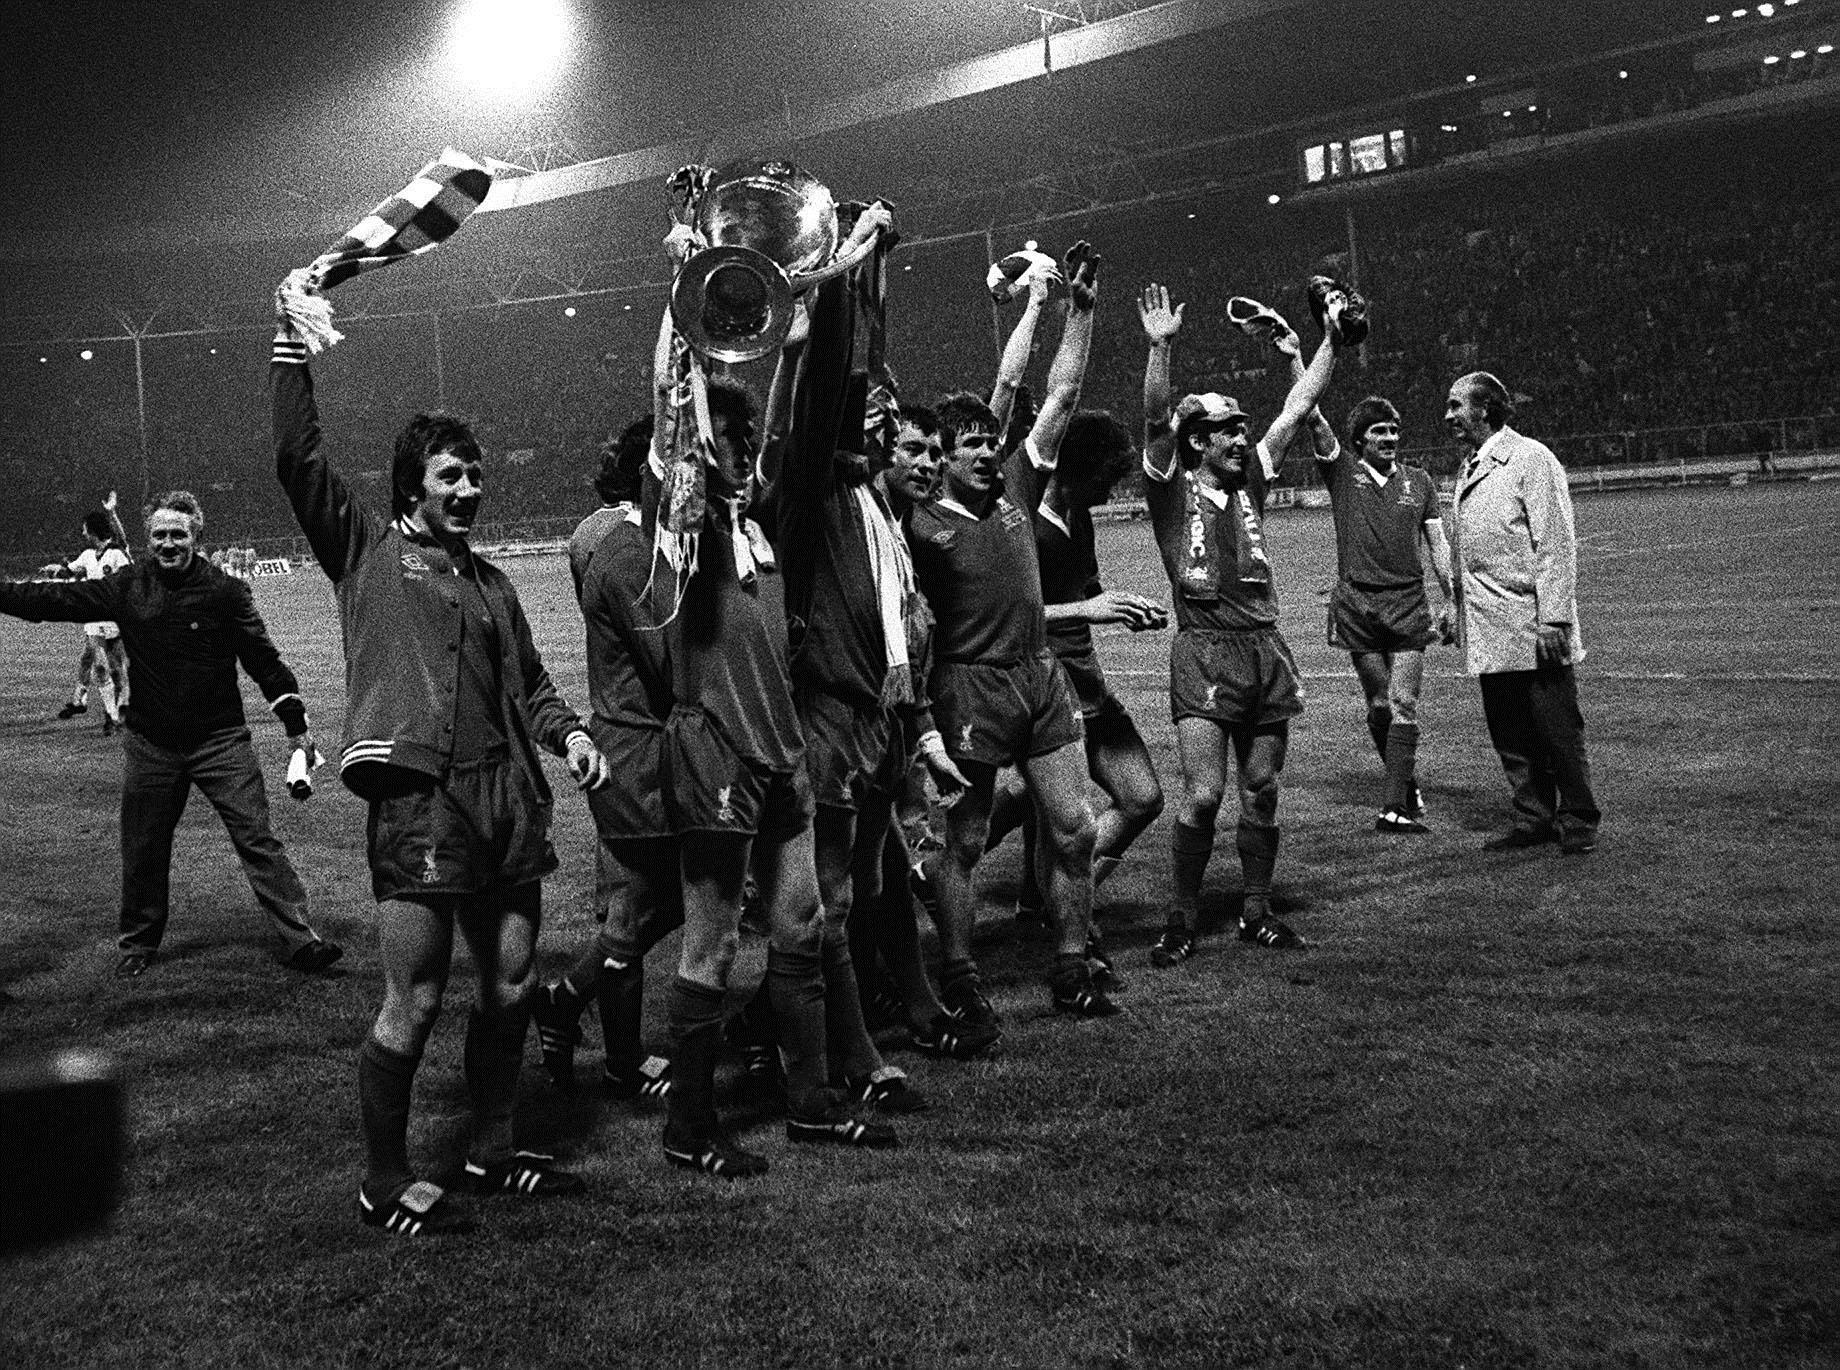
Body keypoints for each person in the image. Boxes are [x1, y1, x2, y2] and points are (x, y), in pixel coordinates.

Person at [273, 316, 609, 1238]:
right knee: (414, 998)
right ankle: (384, 1177)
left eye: (475, 474)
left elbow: (532, 685)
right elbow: (299, 460)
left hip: (510, 805)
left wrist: (569, 735)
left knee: (508, 987)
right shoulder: (368, 558)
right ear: (411, 489)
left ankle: (491, 1148)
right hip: (422, 805)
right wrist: (289, 353)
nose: (471, 489)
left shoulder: (495, 583)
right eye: (450, 476)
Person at [644, 293, 895, 1180]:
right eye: (729, 449)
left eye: (748, 450)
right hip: (715, 748)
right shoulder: (676, 527)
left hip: (783, 748)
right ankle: (690, 1123)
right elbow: (680, 419)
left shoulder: (758, 520)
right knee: (709, 941)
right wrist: (680, 303)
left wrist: (789, 353)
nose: (741, 459)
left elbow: (782, 428)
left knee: (802, 918)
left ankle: (813, 1102)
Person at [750, 248, 970, 1103]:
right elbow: (815, 420)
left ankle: (835, 1031)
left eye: (889, 421)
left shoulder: (882, 507)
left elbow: (898, 640)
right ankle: (851, 1057)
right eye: (871, 419)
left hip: (878, 723)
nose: (881, 427)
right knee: (829, 899)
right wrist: (818, 314)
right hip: (828, 722)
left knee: (867, 885)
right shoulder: (812, 496)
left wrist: (919, 733)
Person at [0, 490, 341, 980]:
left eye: (177, 534)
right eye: (158, 535)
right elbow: (53, 600)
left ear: (196, 537)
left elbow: (264, 661)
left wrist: (296, 727)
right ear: (147, 538)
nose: (166, 544)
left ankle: (300, 940)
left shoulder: (225, 591)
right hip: (151, 744)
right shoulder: (127, 586)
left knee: (257, 839)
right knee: (143, 845)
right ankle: (138, 943)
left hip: (220, 741)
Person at [906, 240, 1114, 1025]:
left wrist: (1079, 313)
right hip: (969, 683)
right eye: (974, 447)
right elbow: (1006, 384)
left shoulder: (1014, 489)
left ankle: (1069, 963)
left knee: (1075, 824)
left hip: (1038, 676)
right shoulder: (921, 520)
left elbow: (1056, 393)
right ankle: (957, 973)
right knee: (961, 840)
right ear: (944, 460)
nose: (990, 453)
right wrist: (1028, 307)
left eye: (993, 443)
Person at [1135, 281, 1344, 966]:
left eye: (1239, 427)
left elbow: (1299, 407)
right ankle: (1182, 916)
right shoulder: (1170, 489)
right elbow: (1153, 421)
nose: (1241, 435)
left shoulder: (1250, 476)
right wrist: (1160, 348)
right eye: (1227, 429)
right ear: (1197, 439)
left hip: (1264, 646)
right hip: (1203, 651)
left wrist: (1322, 344)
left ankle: (1257, 911)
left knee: (1262, 789)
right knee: (1202, 797)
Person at [532, 413, 677, 1103]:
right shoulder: (621, 544)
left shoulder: (614, 536)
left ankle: (599, 1033)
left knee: (641, 906)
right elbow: (675, 663)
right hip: (640, 751)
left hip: (638, 743)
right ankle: (572, 1004)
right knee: (644, 905)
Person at [984, 409, 1167, 938]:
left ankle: (1049, 896)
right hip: (1041, 682)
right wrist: (1086, 610)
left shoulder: (1078, 518)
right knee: (1026, 802)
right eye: (1103, 481)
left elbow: (1085, 593)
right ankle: (944, 865)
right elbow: (1007, 613)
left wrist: (1127, 608)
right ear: (1072, 470)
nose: (1110, 495)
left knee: (1141, 798)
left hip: (1087, 682)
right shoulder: (1021, 522)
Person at [1445, 371, 1600, 855]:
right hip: (1490, 624)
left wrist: (1555, 617)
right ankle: (1533, 816)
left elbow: (1554, 543)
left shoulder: (1531, 458)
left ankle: (1578, 818)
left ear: (1485, 408)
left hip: (1532, 624)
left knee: (1556, 728)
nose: (1448, 416)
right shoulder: (1470, 465)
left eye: (1456, 405)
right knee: (1510, 731)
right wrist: (1454, 606)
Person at [1319, 394, 1455, 833]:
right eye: (1380, 431)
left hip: (1408, 604)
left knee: (1403, 702)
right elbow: (1314, 418)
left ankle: (1394, 806)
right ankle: (1406, 782)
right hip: (1358, 604)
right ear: (1359, 439)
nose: (1390, 438)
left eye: (1394, 430)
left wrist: (1451, 596)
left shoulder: (1420, 482)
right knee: (1379, 705)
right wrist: (1295, 358)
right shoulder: (1342, 474)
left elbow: (1438, 543)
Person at [55, 496, 132, 734]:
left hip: (115, 618)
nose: (82, 533)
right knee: (99, 666)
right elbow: (68, 571)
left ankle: (121, 709)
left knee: (119, 670)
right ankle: (110, 715)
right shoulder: (88, 555)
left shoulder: (117, 554)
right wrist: (56, 570)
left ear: (93, 531)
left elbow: (123, 542)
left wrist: (112, 513)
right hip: (93, 619)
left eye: (84, 529)